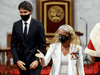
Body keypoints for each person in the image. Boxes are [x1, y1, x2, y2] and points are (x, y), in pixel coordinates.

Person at [11, 1, 46, 75]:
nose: (23, 14)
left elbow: (42, 45)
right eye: (21, 12)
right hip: (22, 63)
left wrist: (37, 60)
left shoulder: (38, 25)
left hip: (34, 63)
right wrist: (17, 61)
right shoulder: (16, 25)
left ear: (30, 12)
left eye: (25, 12)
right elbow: (13, 45)